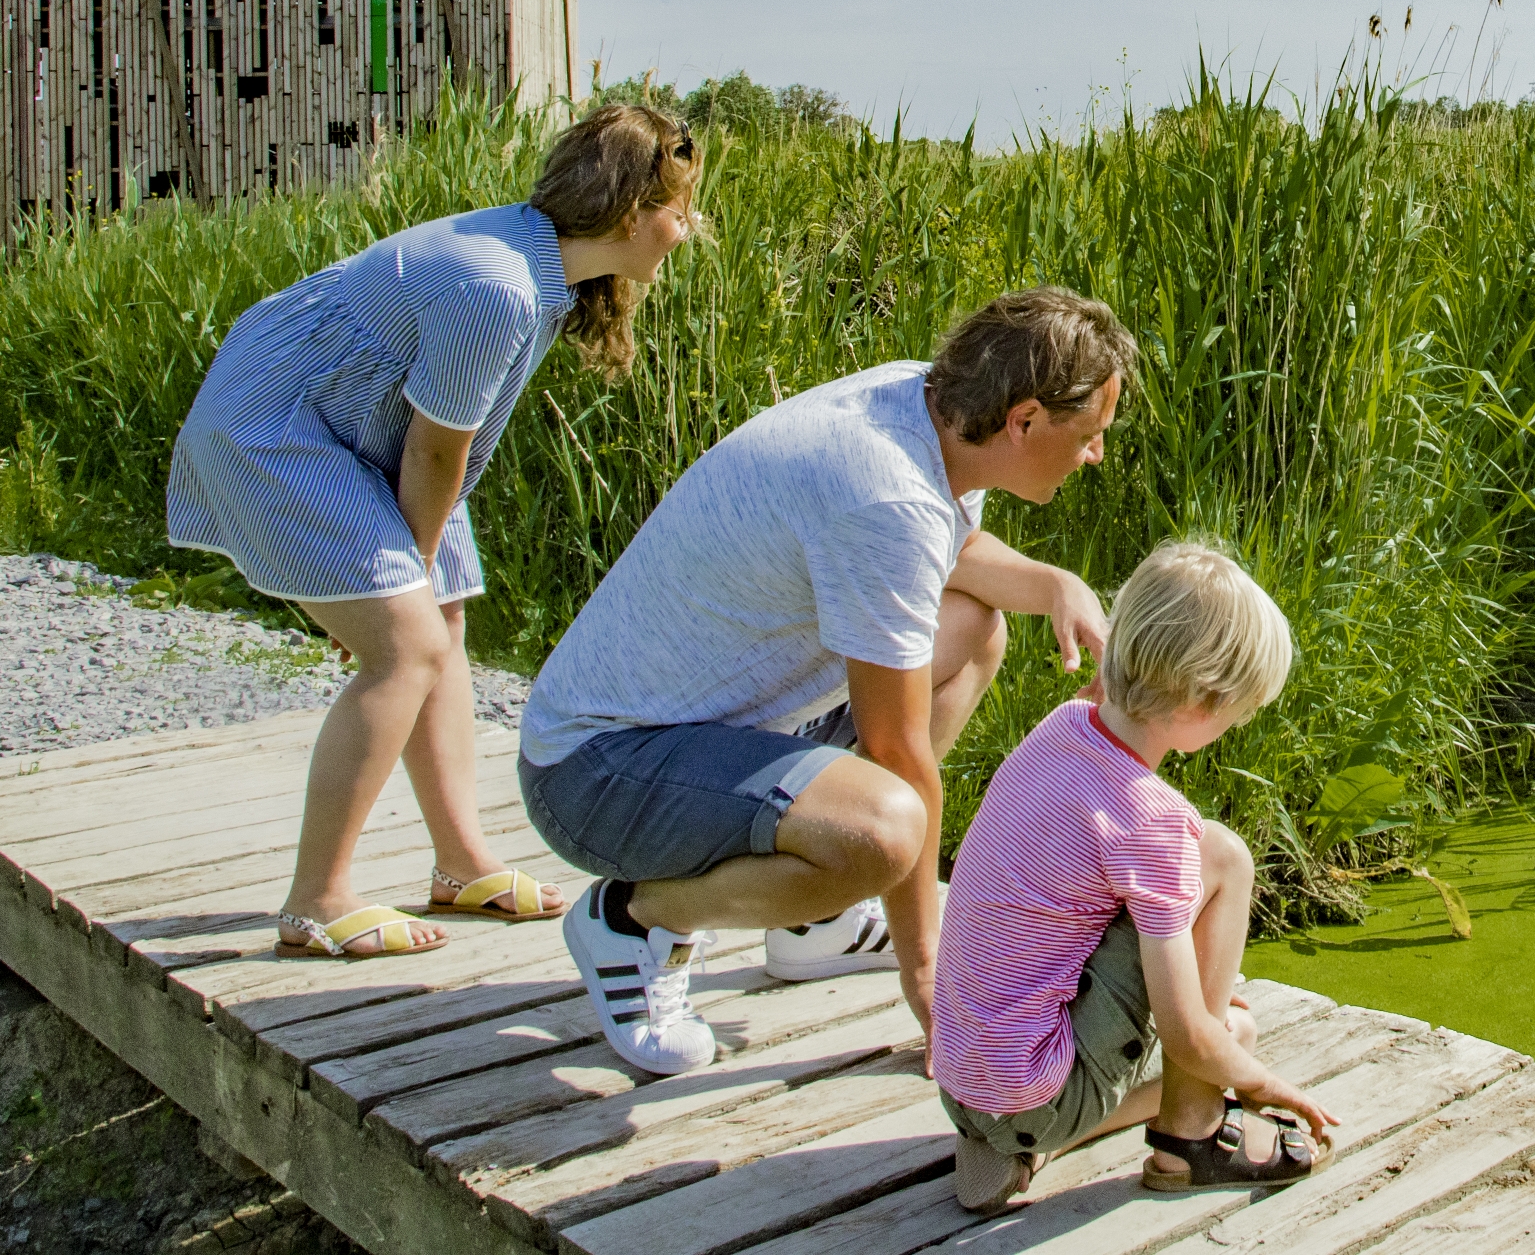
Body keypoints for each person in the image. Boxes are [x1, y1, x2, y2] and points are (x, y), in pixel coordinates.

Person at [524, 288, 1131, 1073]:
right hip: (595, 773)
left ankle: (815, 924)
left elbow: (941, 555)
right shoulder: (887, 496)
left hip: (699, 734)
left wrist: (1054, 584)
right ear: (1023, 421)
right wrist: (928, 977)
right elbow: (897, 752)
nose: (1096, 456)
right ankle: (635, 917)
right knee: (882, 832)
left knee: (974, 630)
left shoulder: (928, 407)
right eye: (1090, 435)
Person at [166, 105, 701, 960]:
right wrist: (395, 585)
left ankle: (461, 864)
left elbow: (437, 450)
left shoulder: (541, 271)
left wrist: (411, 585)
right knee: (407, 646)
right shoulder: (495, 287)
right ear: (634, 214)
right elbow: (436, 448)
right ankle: (318, 899)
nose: (688, 230)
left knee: (441, 621)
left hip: (345, 427)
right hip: (274, 427)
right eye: (681, 210)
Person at [933, 540, 1338, 1212]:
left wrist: (1218, 1046)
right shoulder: (1154, 822)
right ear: (1203, 702)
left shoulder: (1063, 727)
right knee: (1224, 859)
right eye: (1241, 711)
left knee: (1227, 1035)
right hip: (1033, 1092)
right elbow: (1185, 1034)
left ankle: (1025, 1142)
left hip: (964, 1081)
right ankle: (1191, 1138)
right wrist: (1265, 1084)